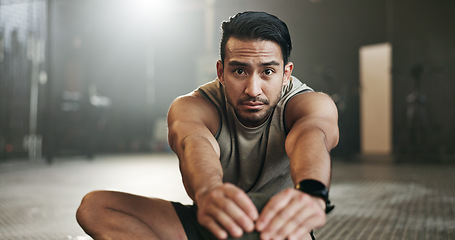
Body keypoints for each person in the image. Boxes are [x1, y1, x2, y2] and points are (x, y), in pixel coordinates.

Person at [76, 11, 339, 240]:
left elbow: (310, 136)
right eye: (239, 71)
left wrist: (311, 191)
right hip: (213, 217)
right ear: (221, 72)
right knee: (96, 208)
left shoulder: (310, 104)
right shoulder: (194, 106)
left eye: (267, 72)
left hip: (276, 225)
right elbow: (195, 143)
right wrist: (208, 191)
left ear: (286, 73)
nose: (252, 89)